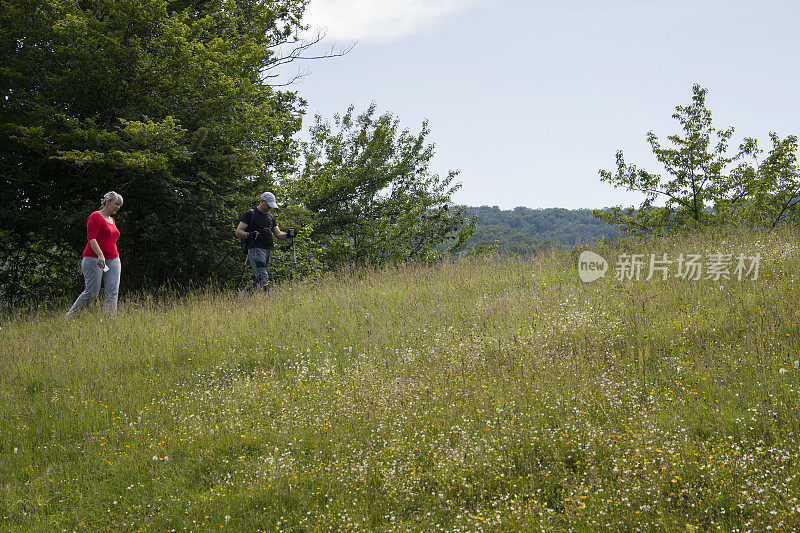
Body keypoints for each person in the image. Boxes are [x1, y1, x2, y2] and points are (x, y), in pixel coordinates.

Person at [67, 191, 124, 318]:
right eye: (116, 204)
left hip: (113, 260)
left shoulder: (112, 220)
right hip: (95, 259)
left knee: (113, 292)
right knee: (92, 292)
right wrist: (100, 254)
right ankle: (71, 317)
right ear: (107, 202)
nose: (117, 207)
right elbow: (91, 238)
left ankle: (108, 322)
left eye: (119, 205)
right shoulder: (95, 216)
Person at [235, 192, 296, 292]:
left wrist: (289, 235)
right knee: (263, 274)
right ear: (262, 201)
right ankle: (267, 298)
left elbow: (278, 234)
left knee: (257, 276)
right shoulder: (251, 214)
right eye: (268, 205)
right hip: (255, 248)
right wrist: (248, 235)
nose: (269, 208)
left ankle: (242, 298)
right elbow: (238, 231)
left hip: (268, 249)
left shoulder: (270, 217)